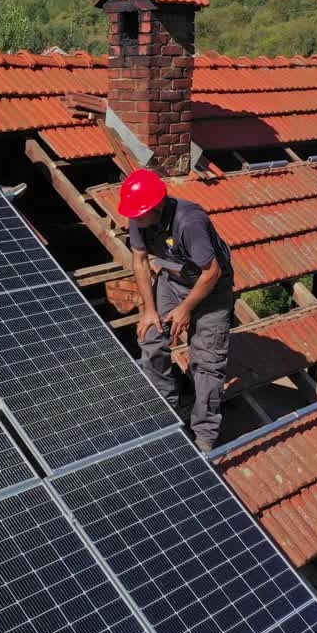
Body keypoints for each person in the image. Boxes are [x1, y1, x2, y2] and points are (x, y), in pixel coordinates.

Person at [119, 169, 235, 452]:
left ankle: (205, 435)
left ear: (156, 207)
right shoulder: (139, 217)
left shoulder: (190, 222)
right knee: (150, 338)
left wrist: (185, 309)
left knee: (207, 364)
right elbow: (140, 260)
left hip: (211, 290)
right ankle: (165, 407)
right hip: (172, 283)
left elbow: (212, 272)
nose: (134, 220)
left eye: (139, 215)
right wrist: (148, 309)